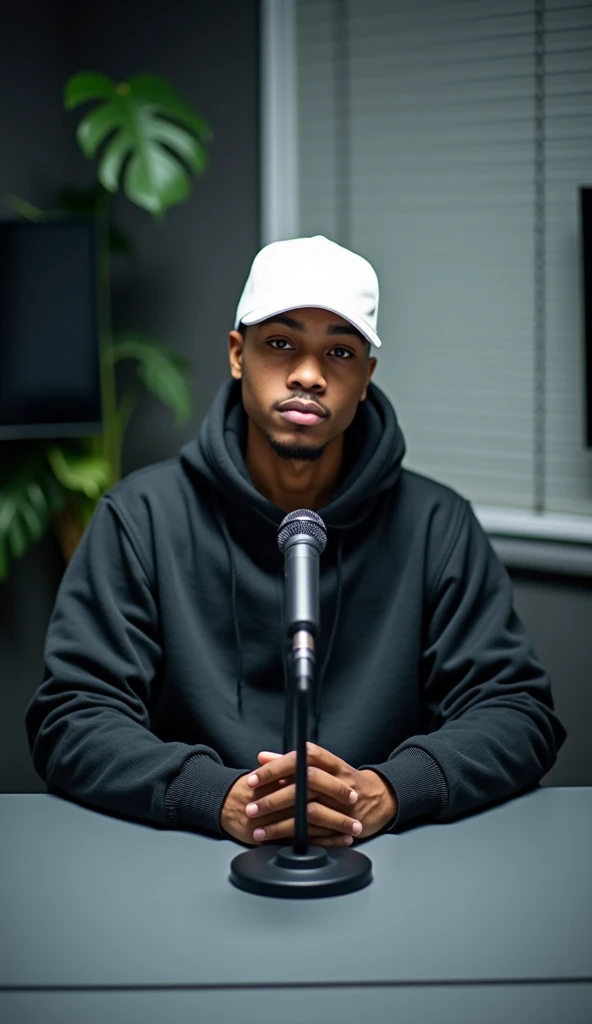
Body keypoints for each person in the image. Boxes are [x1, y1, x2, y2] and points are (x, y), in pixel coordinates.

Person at [25, 235, 566, 849]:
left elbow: (518, 714)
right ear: (237, 354)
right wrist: (216, 795)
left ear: (366, 379)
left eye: (339, 351)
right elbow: (71, 718)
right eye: (280, 343)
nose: (308, 374)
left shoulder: (437, 525)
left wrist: (388, 790)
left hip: (388, 862)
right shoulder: (141, 518)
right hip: (188, 856)